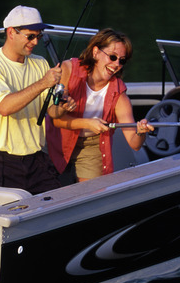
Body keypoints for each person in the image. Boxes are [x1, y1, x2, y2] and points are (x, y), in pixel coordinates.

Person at [0, 5, 74, 194]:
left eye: (39, 36)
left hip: (34, 159)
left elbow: (51, 111)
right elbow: (5, 107)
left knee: (57, 204)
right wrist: (43, 83)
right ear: (11, 32)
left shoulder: (40, 63)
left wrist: (64, 106)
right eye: (30, 36)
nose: (35, 42)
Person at [46, 28, 154, 182]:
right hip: (57, 138)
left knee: (89, 195)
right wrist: (88, 123)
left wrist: (141, 131)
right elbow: (56, 120)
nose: (116, 64)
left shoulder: (119, 94)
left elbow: (134, 143)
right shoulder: (68, 69)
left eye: (121, 60)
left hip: (92, 145)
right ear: (95, 52)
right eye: (112, 56)